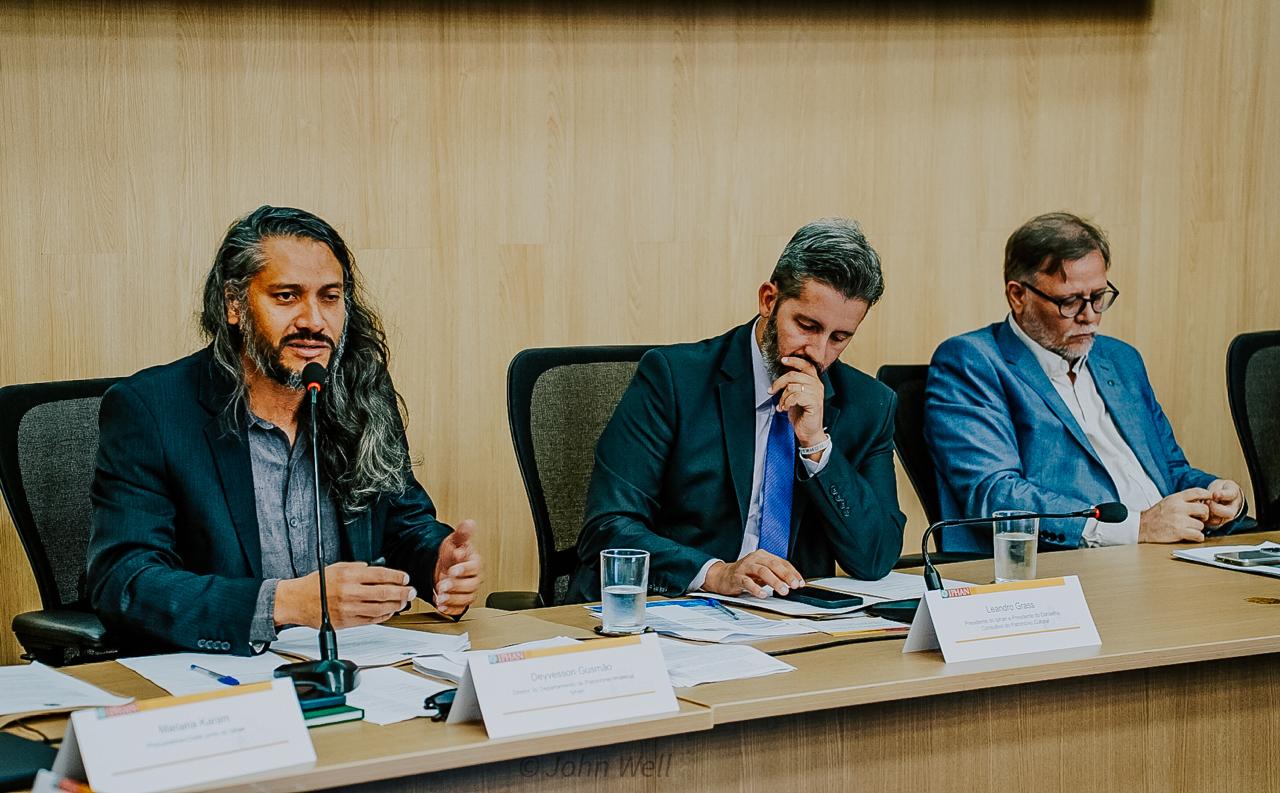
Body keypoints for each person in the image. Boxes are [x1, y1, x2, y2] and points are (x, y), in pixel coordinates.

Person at [87, 206, 482, 654]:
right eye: (287, 296)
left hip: (356, 664)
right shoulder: (151, 410)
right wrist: (283, 603)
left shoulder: (360, 390)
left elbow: (402, 523)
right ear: (234, 305)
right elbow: (125, 579)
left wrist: (438, 565)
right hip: (216, 674)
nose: (314, 320)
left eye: (330, 297)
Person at [568, 218, 905, 602]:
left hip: (789, 620)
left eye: (840, 338)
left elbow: (876, 557)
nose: (819, 352)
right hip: (678, 607)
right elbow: (608, 527)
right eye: (807, 325)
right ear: (768, 300)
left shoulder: (870, 404)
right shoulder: (674, 379)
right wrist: (716, 573)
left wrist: (815, 445)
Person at [924, 211, 1248, 552]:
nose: (1090, 316)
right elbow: (996, 494)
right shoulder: (971, 361)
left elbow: (1168, 471)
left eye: (1098, 297)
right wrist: (1137, 528)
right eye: (1070, 301)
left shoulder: (1121, 359)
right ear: (1018, 295)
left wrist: (1216, 494)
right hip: (1067, 566)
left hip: (1171, 550)